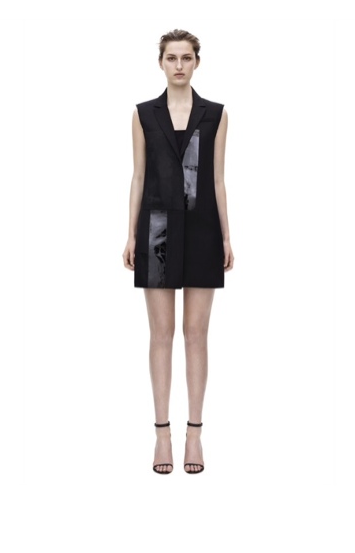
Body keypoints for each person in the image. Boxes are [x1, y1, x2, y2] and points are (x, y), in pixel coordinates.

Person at [122, 29, 234, 474]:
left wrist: (227, 236)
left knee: (196, 334)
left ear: (197, 62)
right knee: (161, 334)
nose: (180, 65)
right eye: (172, 58)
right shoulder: (143, 114)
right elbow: (137, 176)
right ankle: (161, 435)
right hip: (157, 229)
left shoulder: (216, 114)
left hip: (203, 227)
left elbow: (219, 179)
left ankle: (195, 435)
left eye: (187, 58)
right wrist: (130, 235)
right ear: (161, 63)